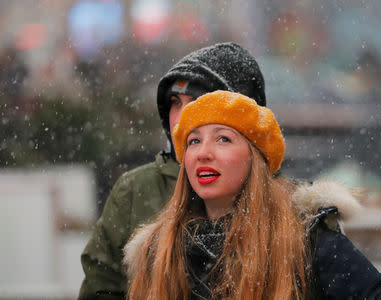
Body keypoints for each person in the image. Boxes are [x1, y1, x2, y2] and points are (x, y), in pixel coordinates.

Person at [123, 91, 381, 299]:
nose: (204, 152)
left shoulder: (307, 240)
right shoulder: (159, 252)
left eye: (223, 139)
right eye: (194, 141)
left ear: (255, 158)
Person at [78, 42, 267, 299]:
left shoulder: (287, 206)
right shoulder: (134, 191)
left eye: (197, 102)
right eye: (175, 103)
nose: (181, 117)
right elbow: (100, 287)